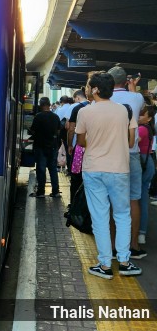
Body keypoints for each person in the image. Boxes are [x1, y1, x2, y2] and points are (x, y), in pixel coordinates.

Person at [76, 71, 141, 279]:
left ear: (95, 89)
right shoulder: (123, 111)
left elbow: (80, 142)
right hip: (119, 169)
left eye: (88, 86)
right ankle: (124, 261)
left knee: (100, 217)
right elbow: (131, 142)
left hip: (93, 169)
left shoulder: (85, 113)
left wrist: (95, 142)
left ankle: (104, 265)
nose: (87, 89)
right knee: (122, 216)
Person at [108, 66, 147, 259]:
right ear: (125, 81)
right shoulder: (137, 98)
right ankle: (133, 247)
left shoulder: (104, 99)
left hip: (111, 155)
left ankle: (114, 248)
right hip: (132, 154)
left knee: (112, 201)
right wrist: (133, 87)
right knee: (133, 200)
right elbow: (137, 101)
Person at [29, 96, 61, 198]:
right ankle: (55, 191)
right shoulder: (55, 117)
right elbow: (58, 131)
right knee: (53, 169)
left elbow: (33, 130)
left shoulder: (38, 116)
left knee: (41, 169)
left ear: (41, 105)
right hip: (53, 146)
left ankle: (41, 192)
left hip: (40, 146)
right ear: (49, 104)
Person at [66, 89, 89, 203]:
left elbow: (70, 129)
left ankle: (73, 206)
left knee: (76, 178)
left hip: (80, 150)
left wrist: (69, 145)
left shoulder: (78, 109)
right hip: (98, 152)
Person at [138, 105, 156, 244]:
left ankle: (139, 231)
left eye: (142, 115)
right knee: (143, 197)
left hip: (141, 163)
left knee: (136, 199)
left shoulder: (141, 129)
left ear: (149, 118)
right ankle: (142, 233)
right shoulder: (149, 129)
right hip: (148, 161)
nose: (139, 117)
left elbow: (131, 143)